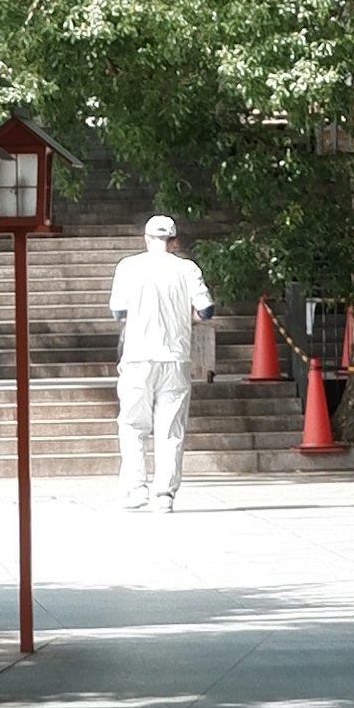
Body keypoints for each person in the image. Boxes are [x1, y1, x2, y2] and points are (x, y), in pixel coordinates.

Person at [111, 211, 216, 515]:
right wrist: (188, 319)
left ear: (146, 239)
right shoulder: (187, 268)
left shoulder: (128, 267)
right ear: (174, 241)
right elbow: (206, 310)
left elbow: (119, 312)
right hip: (175, 357)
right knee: (170, 429)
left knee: (132, 425)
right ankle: (164, 494)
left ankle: (135, 488)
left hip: (137, 357)